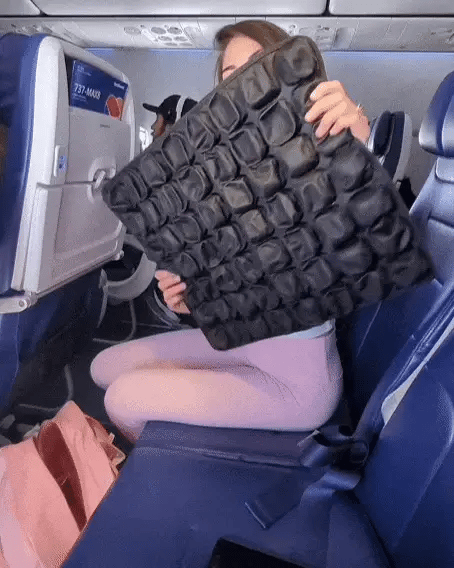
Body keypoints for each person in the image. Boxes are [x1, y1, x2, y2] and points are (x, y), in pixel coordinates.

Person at [91, 20, 371, 443]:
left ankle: (170, 463)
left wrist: (361, 144)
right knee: (102, 369)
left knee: (122, 399)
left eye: (259, 63)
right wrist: (190, 298)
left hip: (296, 380)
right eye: (231, 73)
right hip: (245, 341)